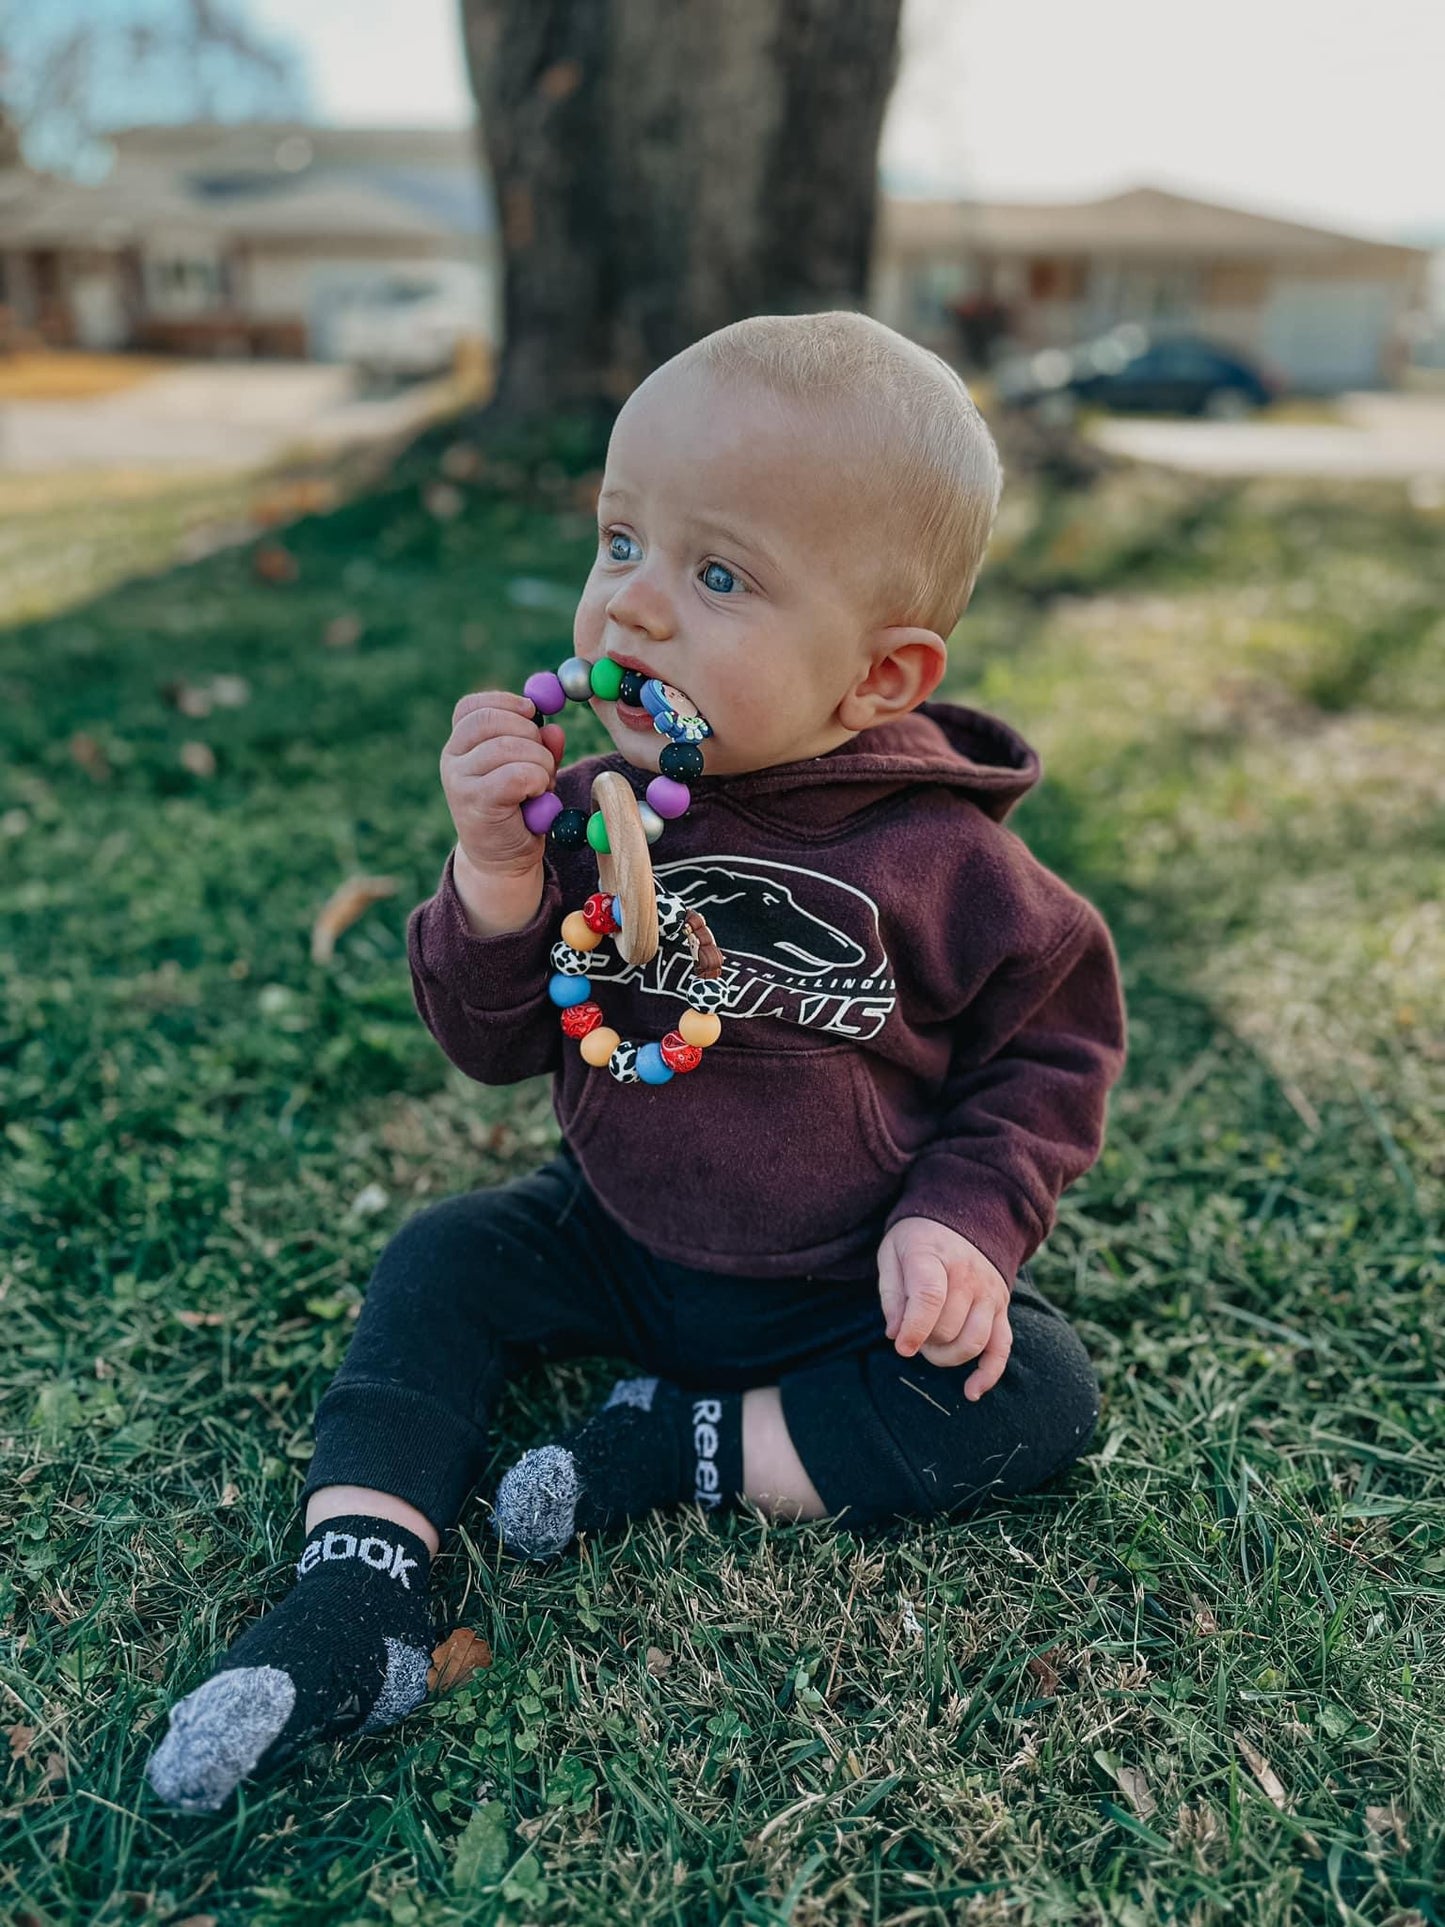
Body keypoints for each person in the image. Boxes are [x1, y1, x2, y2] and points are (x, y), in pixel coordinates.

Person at [147, 310, 1125, 1813]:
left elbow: (1046, 1060)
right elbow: (487, 1045)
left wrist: (964, 1222)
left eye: (716, 573)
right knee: (439, 1264)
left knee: (1037, 1393)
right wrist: (486, 884)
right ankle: (356, 1594)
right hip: (610, 1232)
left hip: (834, 1285)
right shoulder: (593, 811)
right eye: (621, 543)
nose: (635, 611)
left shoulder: (957, 871)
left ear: (880, 676)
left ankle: (678, 1450)